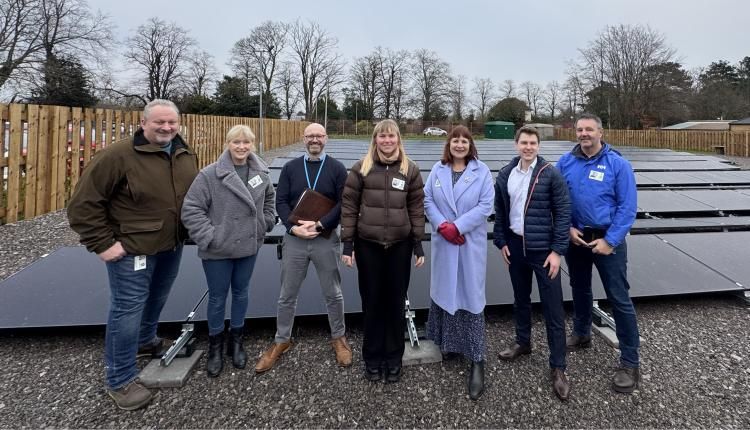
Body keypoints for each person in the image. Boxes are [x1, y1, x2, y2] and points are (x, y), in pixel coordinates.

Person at [67, 99, 198, 411]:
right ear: (143, 123)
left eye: (172, 123)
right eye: (159, 123)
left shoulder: (183, 152)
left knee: (157, 298)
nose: (166, 128)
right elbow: (83, 205)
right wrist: (102, 243)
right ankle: (120, 379)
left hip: (171, 244)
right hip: (132, 249)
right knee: (127, 310)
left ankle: (144, 340)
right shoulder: (118, 156)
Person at [254, 123, 351, 373]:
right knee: (287, 294)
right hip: (295, 240)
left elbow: (344, 203)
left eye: (319, 135)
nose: (314, 139)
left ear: (326, 139)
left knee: (333, 293)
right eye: (310, 136)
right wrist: (291, 227)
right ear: (303, 139)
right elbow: (281, 200)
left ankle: (338, 337)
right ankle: (282, 340)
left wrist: (321, 225)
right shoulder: (290, 168)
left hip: (325, 239)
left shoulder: (337, 168)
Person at [181, 125, 276, 378]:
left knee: (242, 293)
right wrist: (209, 237)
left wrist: (265, 223)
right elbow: (191, 208)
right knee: (217, 297)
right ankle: (215, 345)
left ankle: (237, 340)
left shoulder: (260, 172)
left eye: (246, 142)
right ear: (228, 144)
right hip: (218, 249)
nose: (242, 147)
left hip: (248, 244)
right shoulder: (210, 174)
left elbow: (269, 200)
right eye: (236, 142)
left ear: (252, 145)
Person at [556, 113, 640, 393]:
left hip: (607, 241)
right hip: (576, 239)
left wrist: (611, 240)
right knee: (579, 288)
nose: (584, 134)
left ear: (600, 133)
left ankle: (630, 361)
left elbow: (628, 208)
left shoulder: (618, 165)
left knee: (618, 297)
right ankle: (581, 333)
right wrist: (567, 228)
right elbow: (558, 200)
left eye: (589, 129)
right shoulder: (566, 163)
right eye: (580, 129)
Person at [341, 119, 425, 383]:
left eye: (391, 137)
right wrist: (348, 243)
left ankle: (393, 357)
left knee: (395, 303)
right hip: (369, 246)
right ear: (375, 140)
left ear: (398, 139)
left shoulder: (409, 170)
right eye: (382, 137)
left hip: (399, 246)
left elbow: (416, 209)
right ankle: (372, 358)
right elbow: (349, 207)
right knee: (373, 303)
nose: (387, 141)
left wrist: (418, 243)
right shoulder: (361, 169)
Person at [493, 125, 572, 401]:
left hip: (543, 251)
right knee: (520, 299)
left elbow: (563, 214)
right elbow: (500, 212)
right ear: (516, 145)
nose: (528, 147)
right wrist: (501, 241)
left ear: (538, 146)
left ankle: (558, 367)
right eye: (524, 142)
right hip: (515, 247)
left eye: (533, 143)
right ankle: (523, 342)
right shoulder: (506, 174)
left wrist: (557, 251)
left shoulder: (550, 174)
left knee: (553, 308)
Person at [423, 125, 494, 400]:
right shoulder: (438, 170)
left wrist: (458, 227)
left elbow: (485, 206)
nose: (460, 144)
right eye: (455, 140)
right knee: (445, 294)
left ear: (470, 145)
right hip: (445, 242)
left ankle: (477, 359)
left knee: (470, 299)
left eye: (465, 140)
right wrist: (442, 226)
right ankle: (450, 345)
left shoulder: (482, 171)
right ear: (449, 144)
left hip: (467, 244)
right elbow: (428, 199)